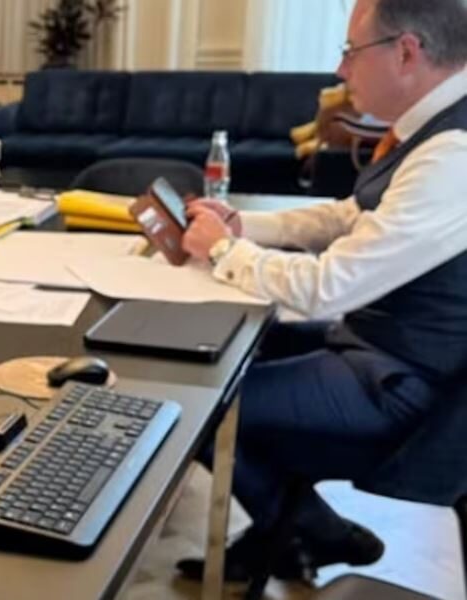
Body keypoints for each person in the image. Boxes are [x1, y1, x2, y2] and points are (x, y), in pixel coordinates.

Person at [177, 0, 467, 583]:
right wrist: (244, 226)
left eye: (351, 52)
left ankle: (305, 530)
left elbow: (328, 287)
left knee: (196, 406)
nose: (341, 70)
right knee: (212, 358)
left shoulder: (453, 156)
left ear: (406, 52)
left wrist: (225, 251)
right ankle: (302, 531)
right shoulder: (433, 131)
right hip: (376, 346)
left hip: (403, 383)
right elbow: (349, 216)